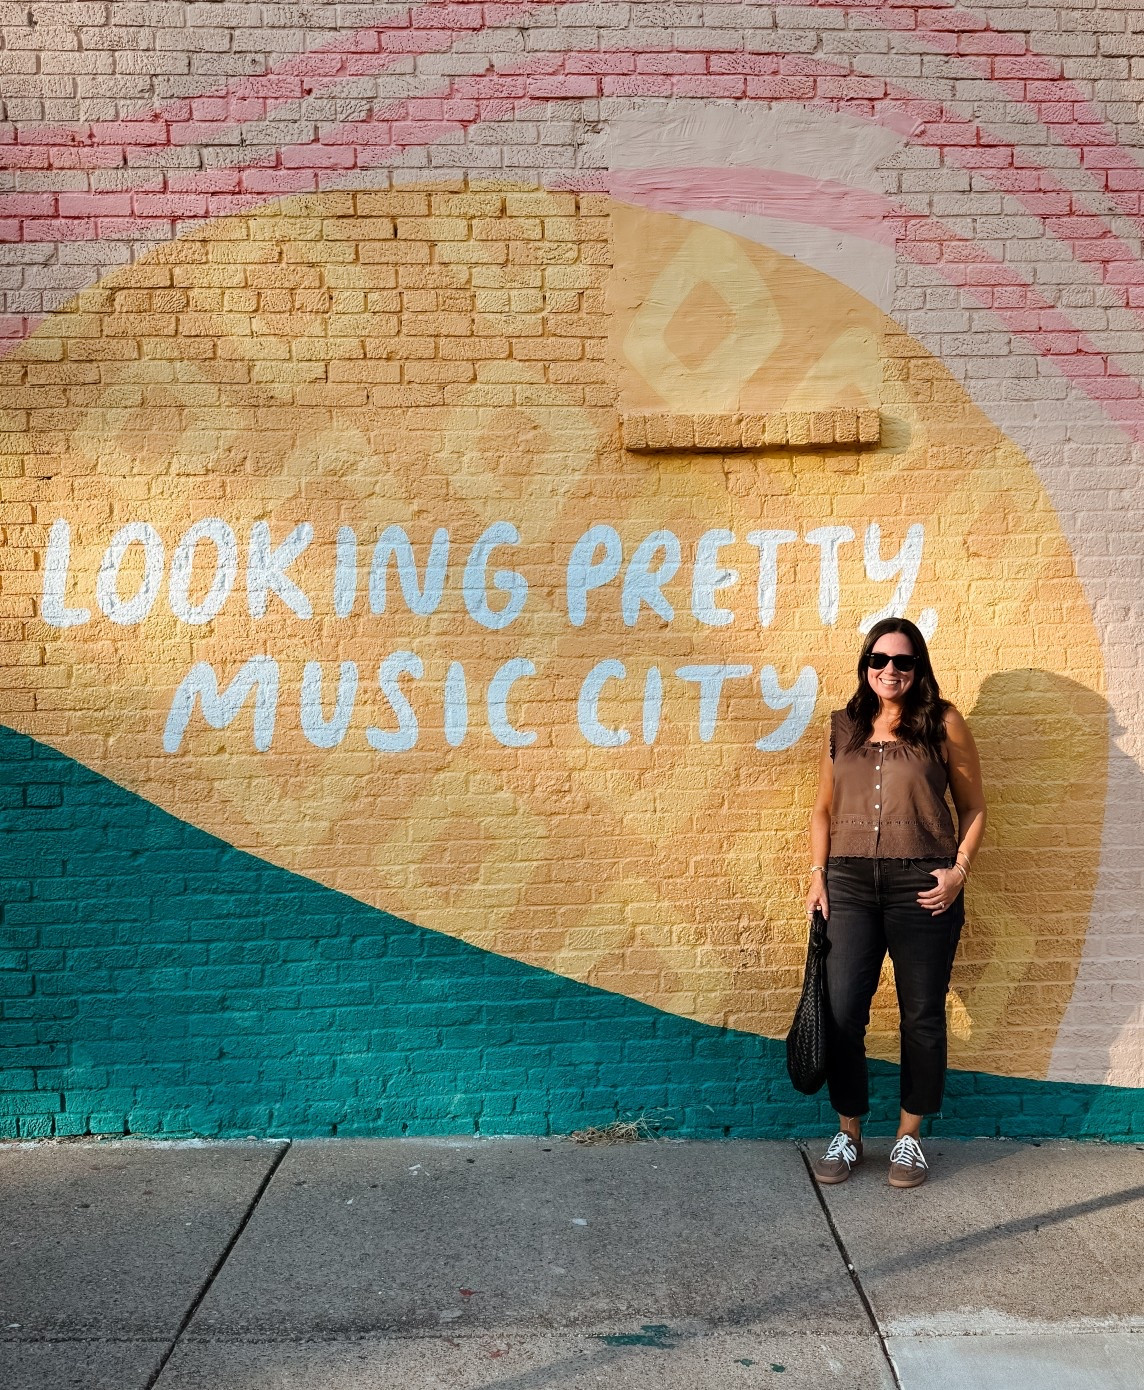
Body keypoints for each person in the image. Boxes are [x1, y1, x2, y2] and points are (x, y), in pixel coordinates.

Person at [804, 617, 986, 1188]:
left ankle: (909, 1139)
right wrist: (818, 875)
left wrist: (958, 872)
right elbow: (822, 811)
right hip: (850, 884)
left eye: (903, 662)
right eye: (879, 660)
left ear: (918, 668)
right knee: (841, 1013)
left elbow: (974, 808)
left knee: (922, 1015)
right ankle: (850, 1132)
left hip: (923, 886)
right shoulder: (845, 725)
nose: (890, 671)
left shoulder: (944, 723)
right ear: (865, 665)